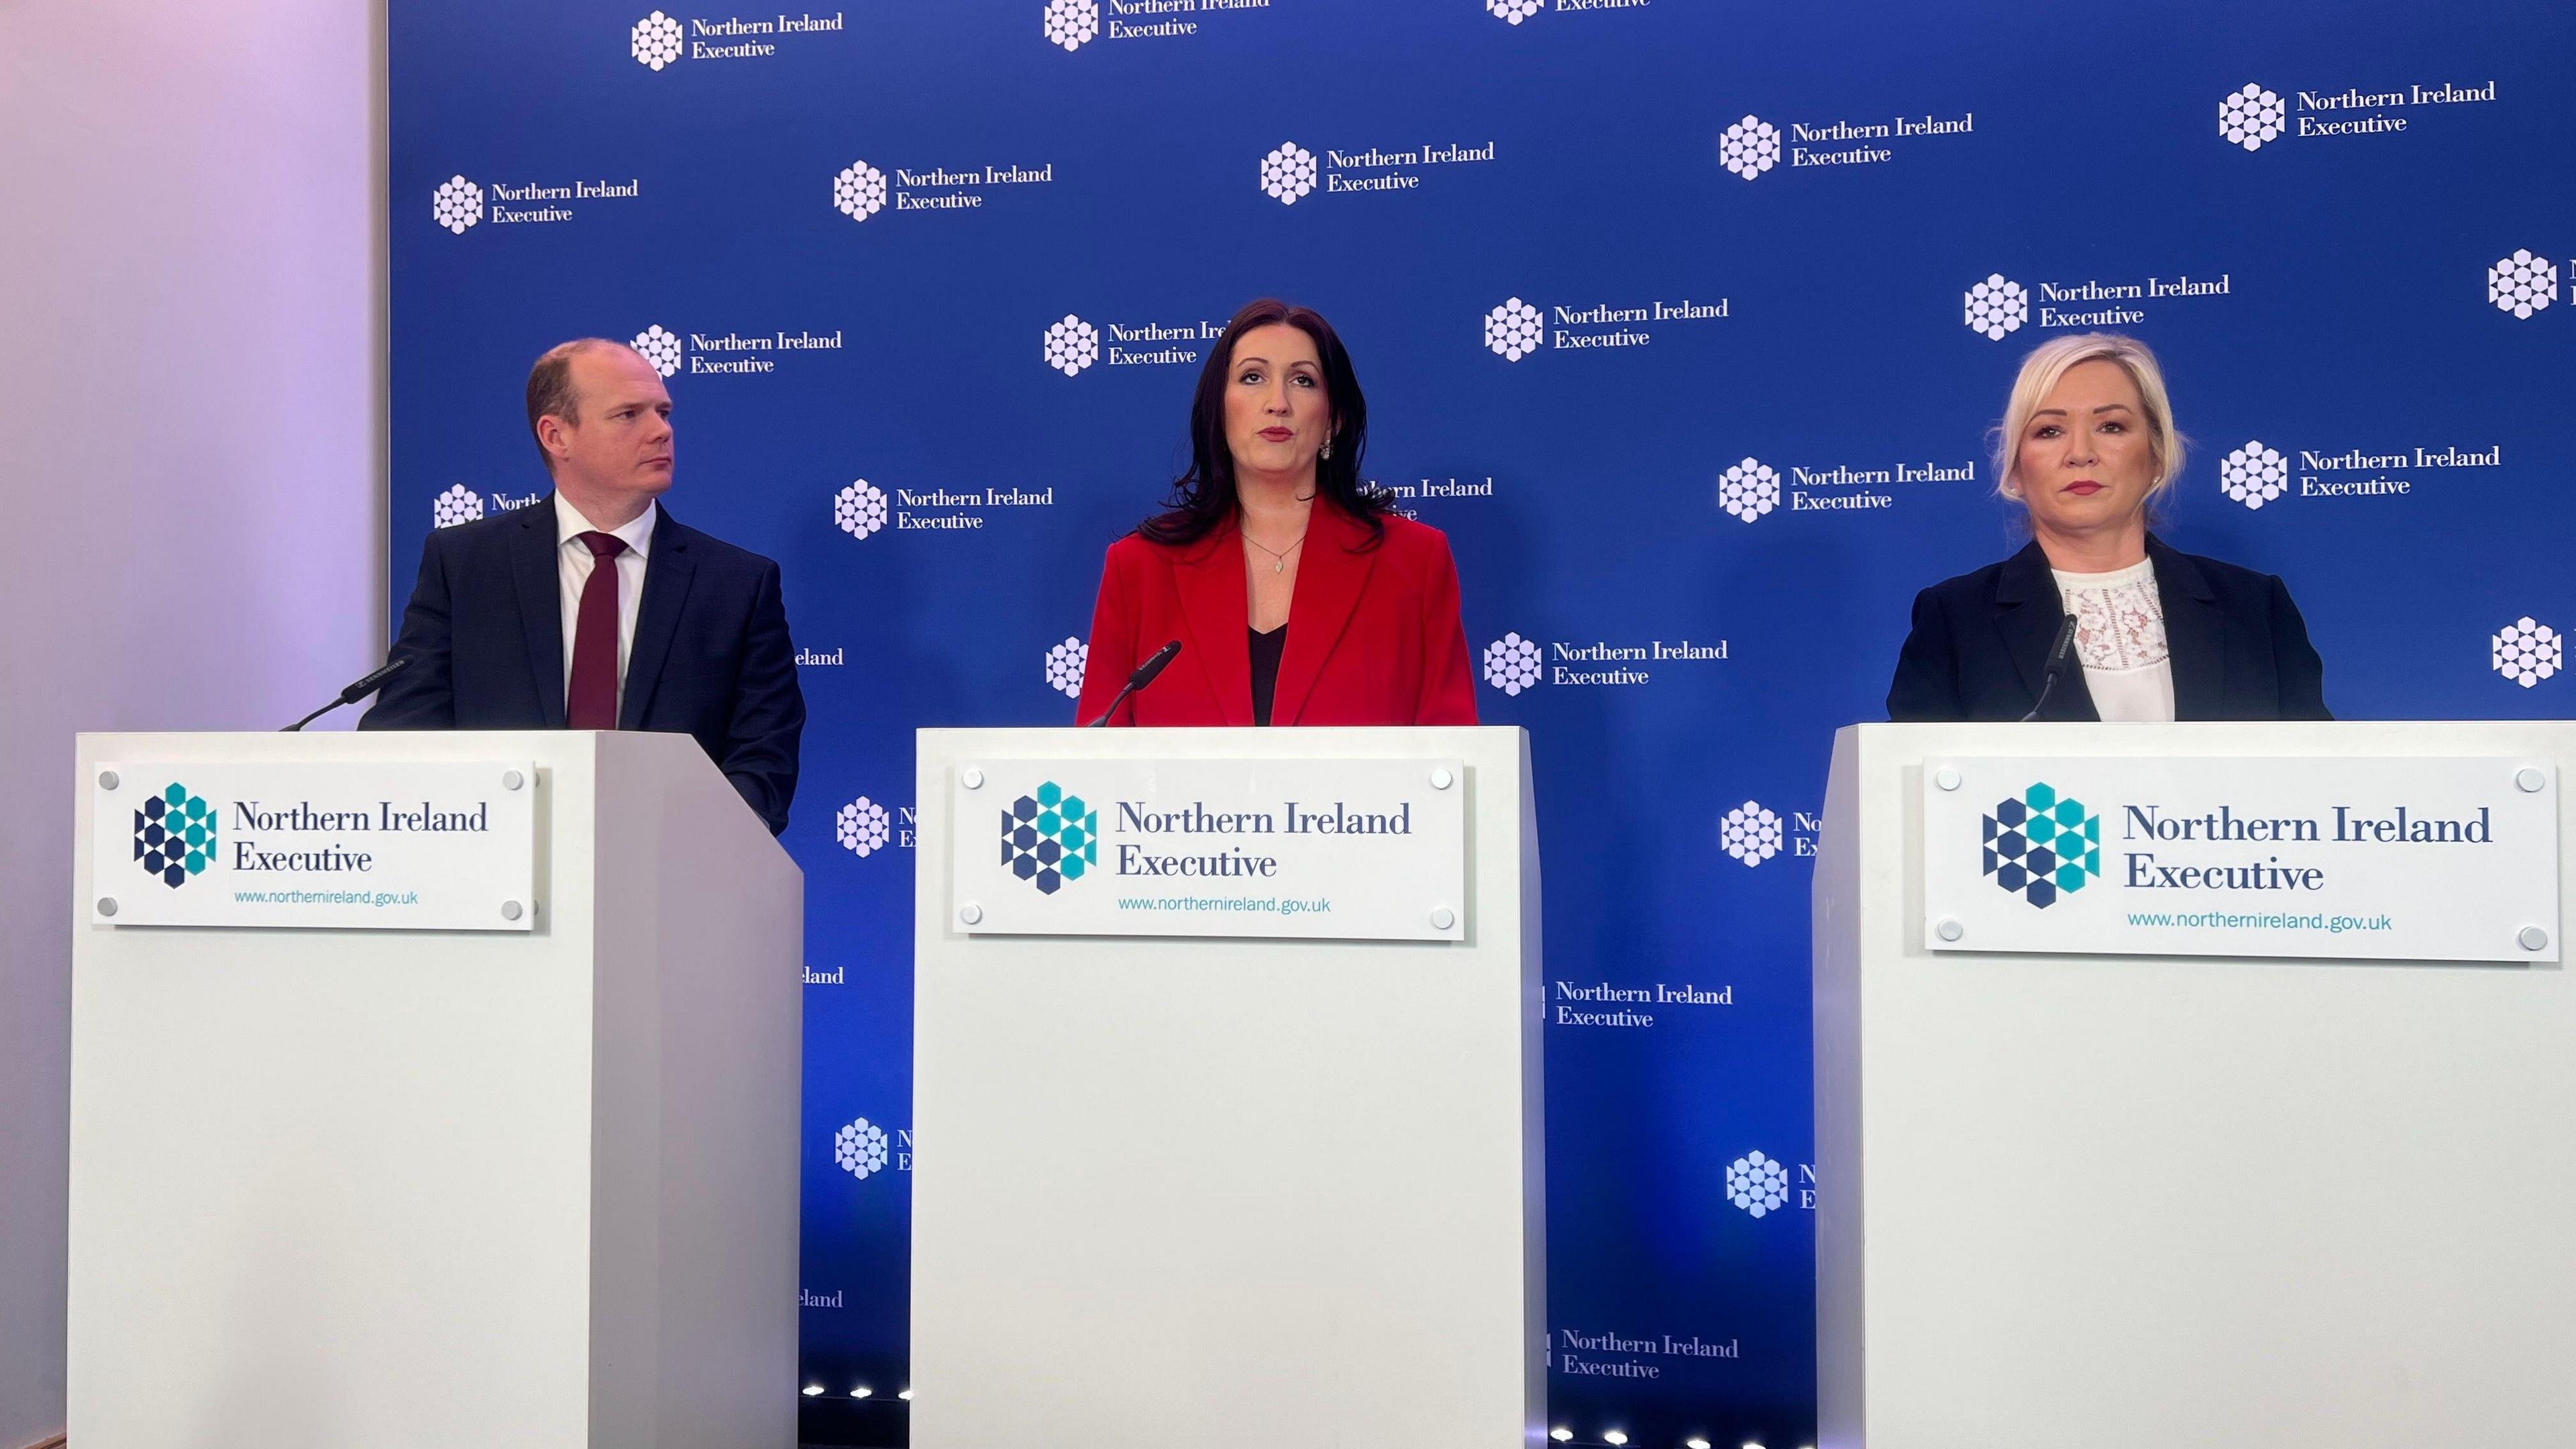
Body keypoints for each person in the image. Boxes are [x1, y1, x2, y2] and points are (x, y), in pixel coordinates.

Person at [363, 338, 804, 835]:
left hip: (668, 879)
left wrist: (687, 846)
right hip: (494, 870)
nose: (661, 431)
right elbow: (404, 732)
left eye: (663, 412)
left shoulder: (736, 584)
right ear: (556, 436)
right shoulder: (465, 565)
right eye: (629, 415)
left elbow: (763, 762)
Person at [1075, 298, 1477, 727]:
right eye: (1252, 377)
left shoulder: (1414, 561)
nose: (1277, 402)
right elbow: (1097, 767)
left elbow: (1452, 758)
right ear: (1220, 407)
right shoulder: (1139, 567)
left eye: (1303, 381)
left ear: (1333, 420)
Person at [1887, 332, 2328, 722]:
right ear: (2017, 467)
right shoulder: (1955, 620)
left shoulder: (2255, 608)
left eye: (2111, 426)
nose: (2080, 453)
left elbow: (2320, 784)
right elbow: (1914, 796)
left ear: (2157, 454)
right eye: (2049, 431)